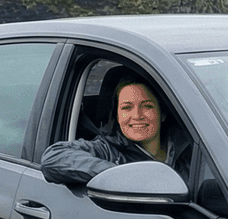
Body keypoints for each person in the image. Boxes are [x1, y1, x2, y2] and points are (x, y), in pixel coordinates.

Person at [40, 70, 196, 185]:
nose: (137, 115)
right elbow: (53, 156)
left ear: (162, 114)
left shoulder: (193, 147)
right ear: (117, 115)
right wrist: (120, 176)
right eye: (127, 108)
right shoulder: (107, 149)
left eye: (147, 106)